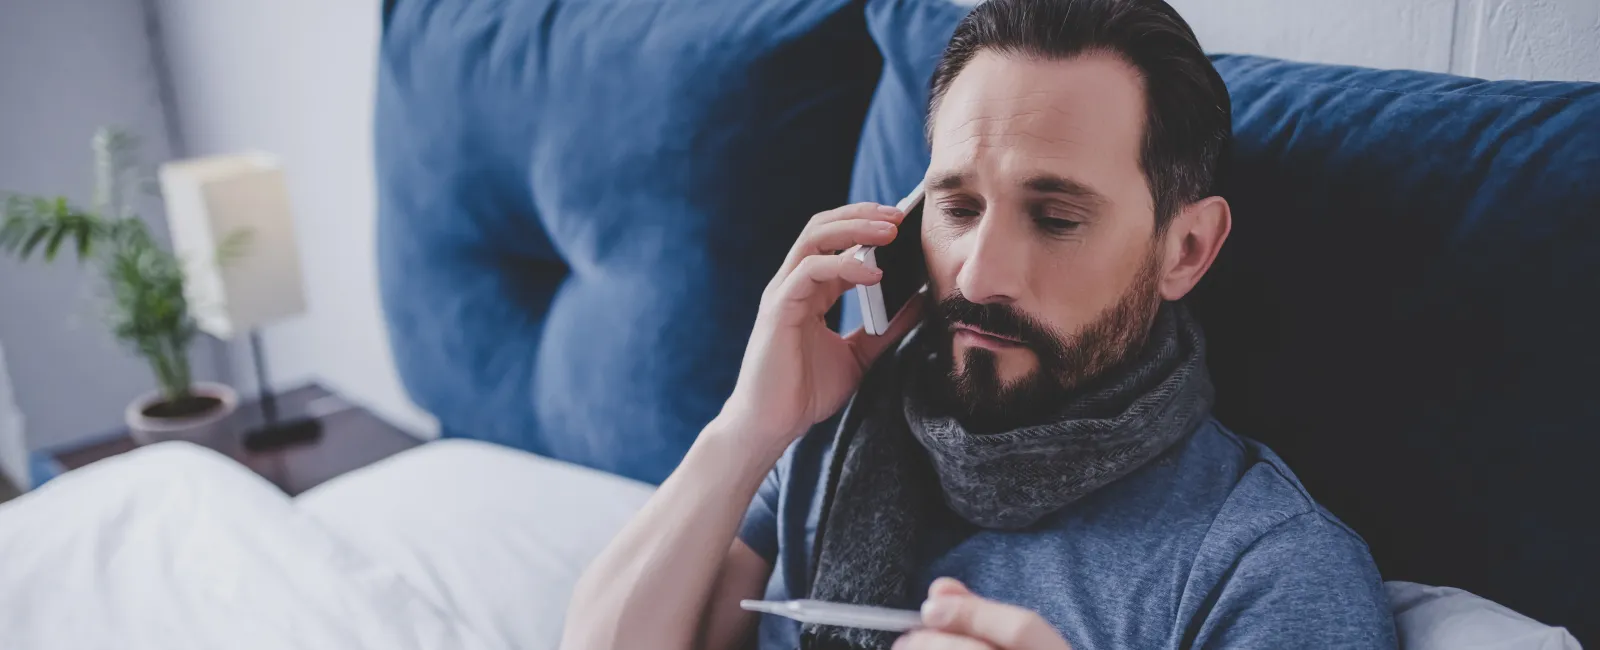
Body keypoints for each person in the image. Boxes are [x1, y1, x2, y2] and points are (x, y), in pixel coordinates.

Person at [561, 0, 1397, 648]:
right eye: (957, 206)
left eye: (1057, 218)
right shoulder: (838, 436)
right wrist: (748, 429)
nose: (980, 272)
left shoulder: (1265, 571)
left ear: (1185, 249)